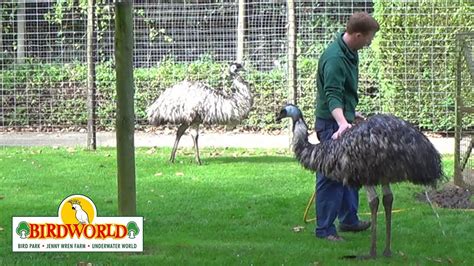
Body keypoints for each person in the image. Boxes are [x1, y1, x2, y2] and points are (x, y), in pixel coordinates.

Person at [314, 12, 379, 241]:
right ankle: (324, 230)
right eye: (369, 38)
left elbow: (343, 91)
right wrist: (342, 123)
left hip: (343, 118)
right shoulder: (334, 59)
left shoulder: (351, 52)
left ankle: (349, 221)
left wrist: (352, 114)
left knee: (351, 172)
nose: (371, 42)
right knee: (331, 177)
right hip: (331, 124)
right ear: (358, 35)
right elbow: (332, 95)